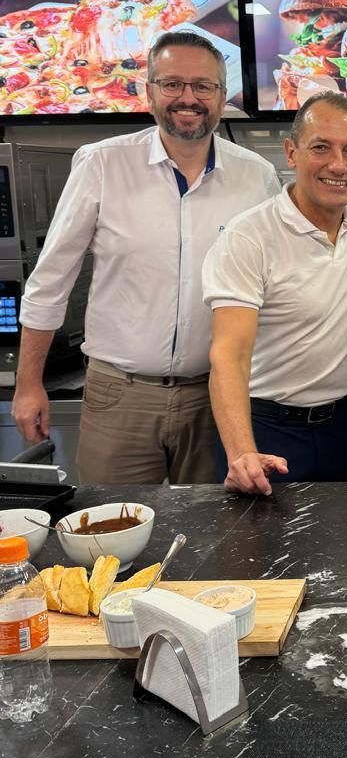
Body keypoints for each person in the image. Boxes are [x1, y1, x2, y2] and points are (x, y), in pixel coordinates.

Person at [13, 32, 280, 484]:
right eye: (172, 84)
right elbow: (49, 282)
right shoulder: (101, 164)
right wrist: (28, 384)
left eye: (203, 86)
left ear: (222, 95)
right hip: (119, 396)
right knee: (109, 529)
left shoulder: (257, 176)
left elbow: (279, 279)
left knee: (211, 538)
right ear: (149, 91)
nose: (188, 99)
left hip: (216, 398)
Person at [203, 92, 347, 494]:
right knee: (258, 551)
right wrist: (242, 452)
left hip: (341, 424)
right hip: (265, 427)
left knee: (340, 548)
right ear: (291, 153)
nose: (338, 165)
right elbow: (228, 354)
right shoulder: (249, 236)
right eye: (321, 147)